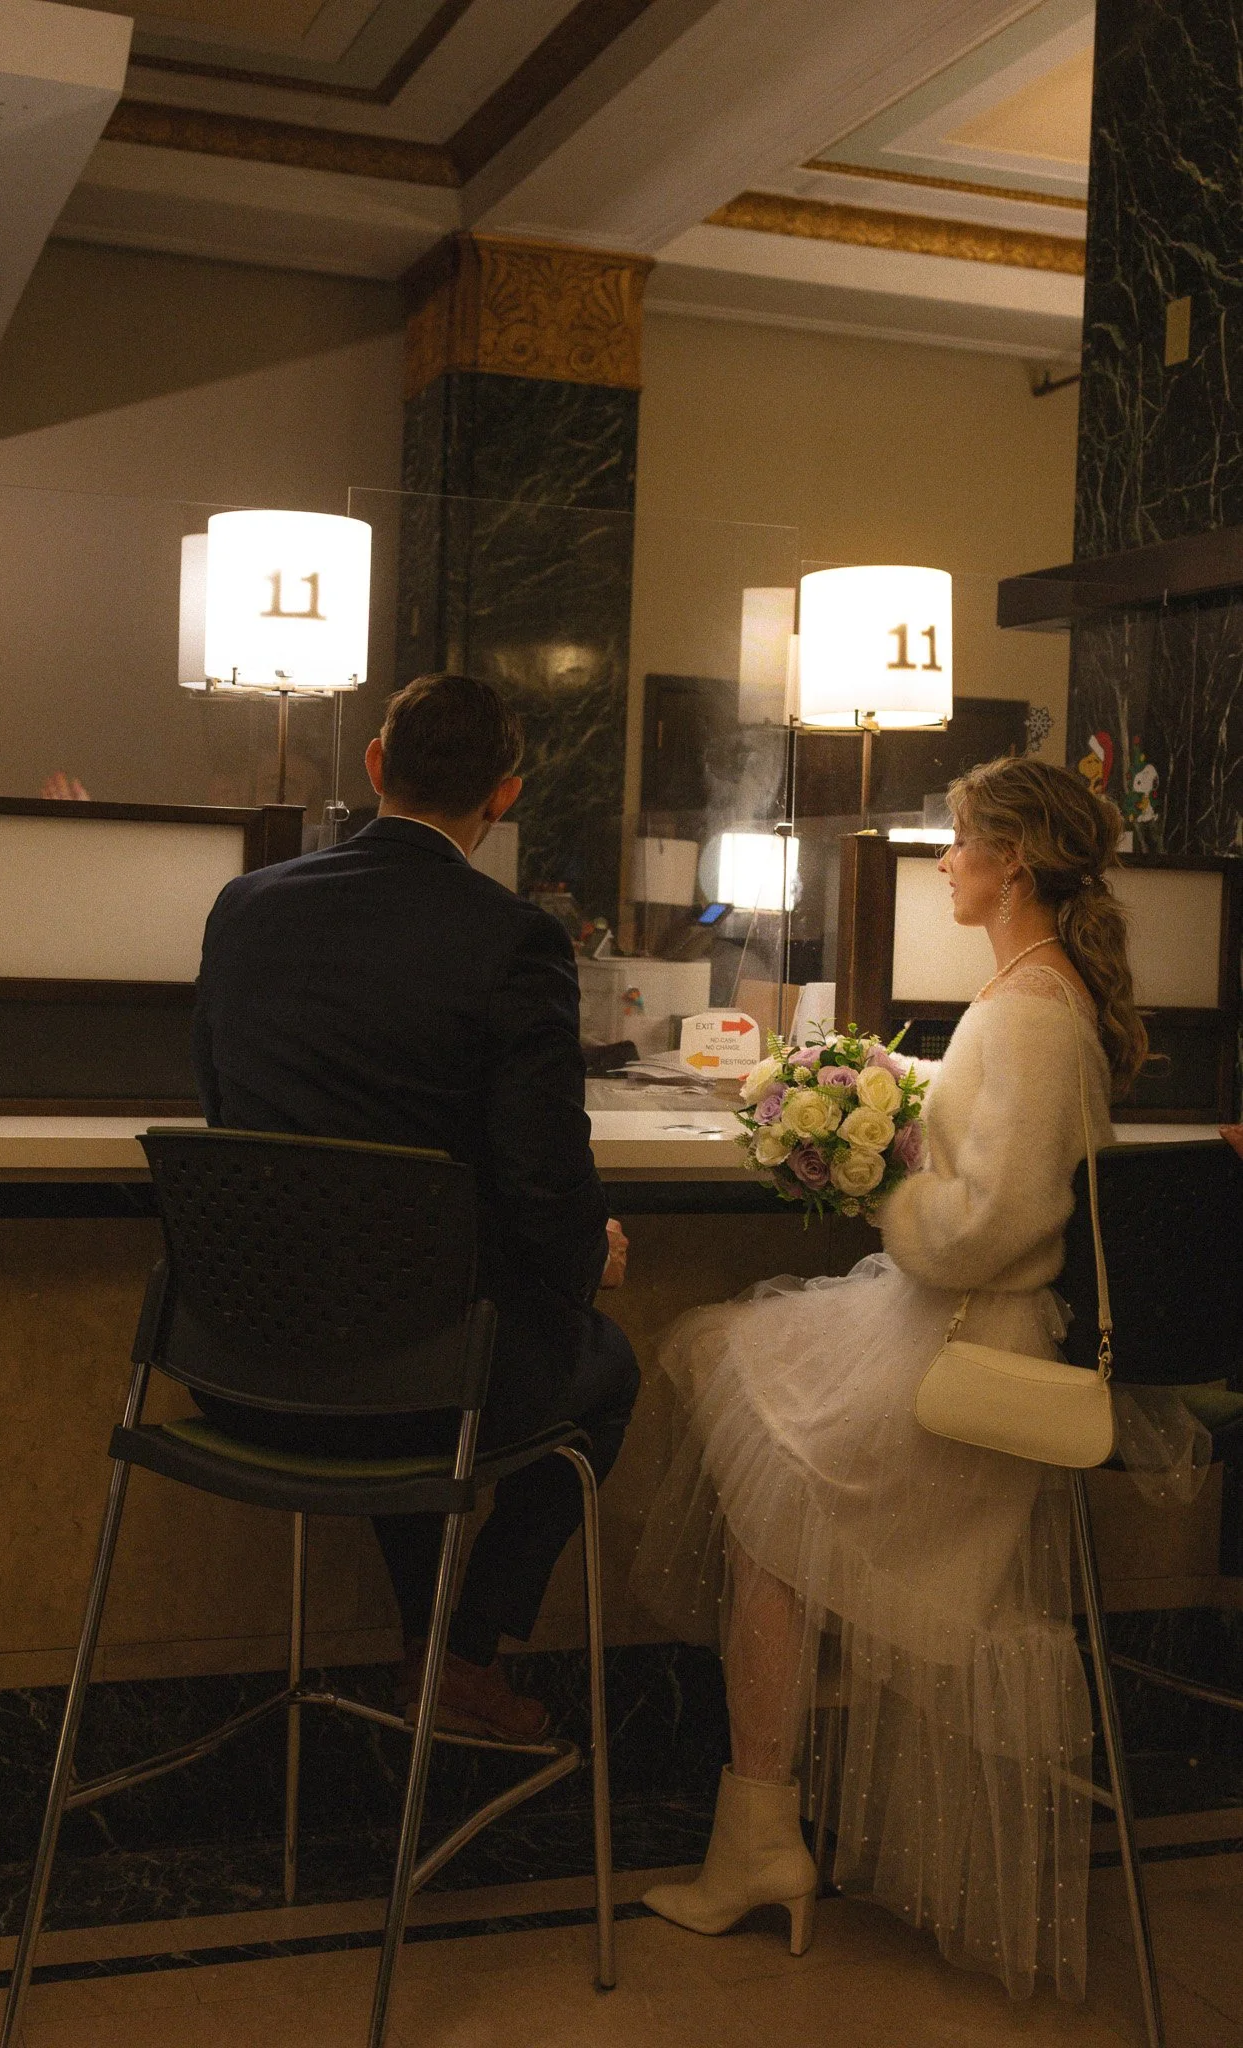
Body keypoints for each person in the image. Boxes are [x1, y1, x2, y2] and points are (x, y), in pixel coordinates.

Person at [633, 756, 1149, 2000]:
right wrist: (887, 1098)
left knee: (757, 1459)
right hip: (957, 1324)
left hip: (970, 1337)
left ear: (1013, 861)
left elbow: (990, 1221)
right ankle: (759, 1828)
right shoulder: (1028, 990)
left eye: (961, 840)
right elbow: (1003, 1142)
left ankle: (757, 1831)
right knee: (754, 1434)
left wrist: (872, 1180)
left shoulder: (1027, 1005)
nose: (944, 861)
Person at [192, 672, 638, 1744]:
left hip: (232, 1365)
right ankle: (464, 1649)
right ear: (507, 794)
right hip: (416, 1380)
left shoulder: (245, 905)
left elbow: (221, 1102)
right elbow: (541, 1176)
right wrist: (592, 1256)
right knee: (593, 1363)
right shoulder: (514, 941)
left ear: (375, 766)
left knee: (410, 1327)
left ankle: (430, 1648)